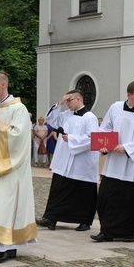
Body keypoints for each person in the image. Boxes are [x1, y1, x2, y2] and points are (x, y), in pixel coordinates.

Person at [0, 72, 37, 263]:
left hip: (11, 168)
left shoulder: (18, 108)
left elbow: (19, 137)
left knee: (7, 207)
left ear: (3, 85)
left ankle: (9, 247)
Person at [91, 81, 134, 243]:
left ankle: (131, 232)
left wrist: (127, 148)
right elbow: (105, 128)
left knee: (132, 201)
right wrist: (104, 146)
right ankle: (107, 231)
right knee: (107, 197)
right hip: (114, 163)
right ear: (128, 95)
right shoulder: (115, 108)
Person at [36, 90, 99, 232]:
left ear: (78, 99)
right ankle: (51, 218)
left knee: (83, 192)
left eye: (69, 101)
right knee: (59, 189)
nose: (67, 104)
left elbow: (93, 139)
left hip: (81, 162)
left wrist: (72, 138)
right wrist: (60, 102)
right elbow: (51, 120)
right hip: (64, 160)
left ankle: (84, 221)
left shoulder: (90, 118)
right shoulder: (66, 115)